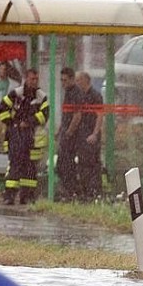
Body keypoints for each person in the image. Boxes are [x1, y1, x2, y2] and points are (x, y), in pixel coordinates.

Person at [0, 68, 49, 205]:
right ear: (26, 78)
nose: (35, 81)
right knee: (15, 165)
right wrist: (13, 124)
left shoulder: (41, 96)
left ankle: (27, 196)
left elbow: (45, 115)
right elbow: (2, 110)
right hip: (16, 136)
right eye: (32, 79)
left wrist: (29, 122)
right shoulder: (16, 94)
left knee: (30, 168)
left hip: (32, 137)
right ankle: (9, 196)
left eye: (36, 79)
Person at [75, 71, 104, 201]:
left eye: (79, 80)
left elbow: (99, 115)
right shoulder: (80, 95)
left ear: (86, 80)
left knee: (93, 164)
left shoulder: (95, 96)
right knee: (82, 163)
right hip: (81, 135)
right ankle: (85, 191)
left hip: (91, 135)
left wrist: (95, 133)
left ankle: (94, 191)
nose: (77, 83)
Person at [56, 67, 83, 200]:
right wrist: (60, 129)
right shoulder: (68, 92)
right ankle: (70, 190)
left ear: (72, 79)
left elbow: (77, 115)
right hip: (65, 132)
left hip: (71, 136)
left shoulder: (76, 93)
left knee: (66, 164)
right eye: (61, 80)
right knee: (62, 164)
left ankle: (71, 191)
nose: (63, 83)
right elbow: (66, 114)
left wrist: (68, 132)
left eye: (65, 80)